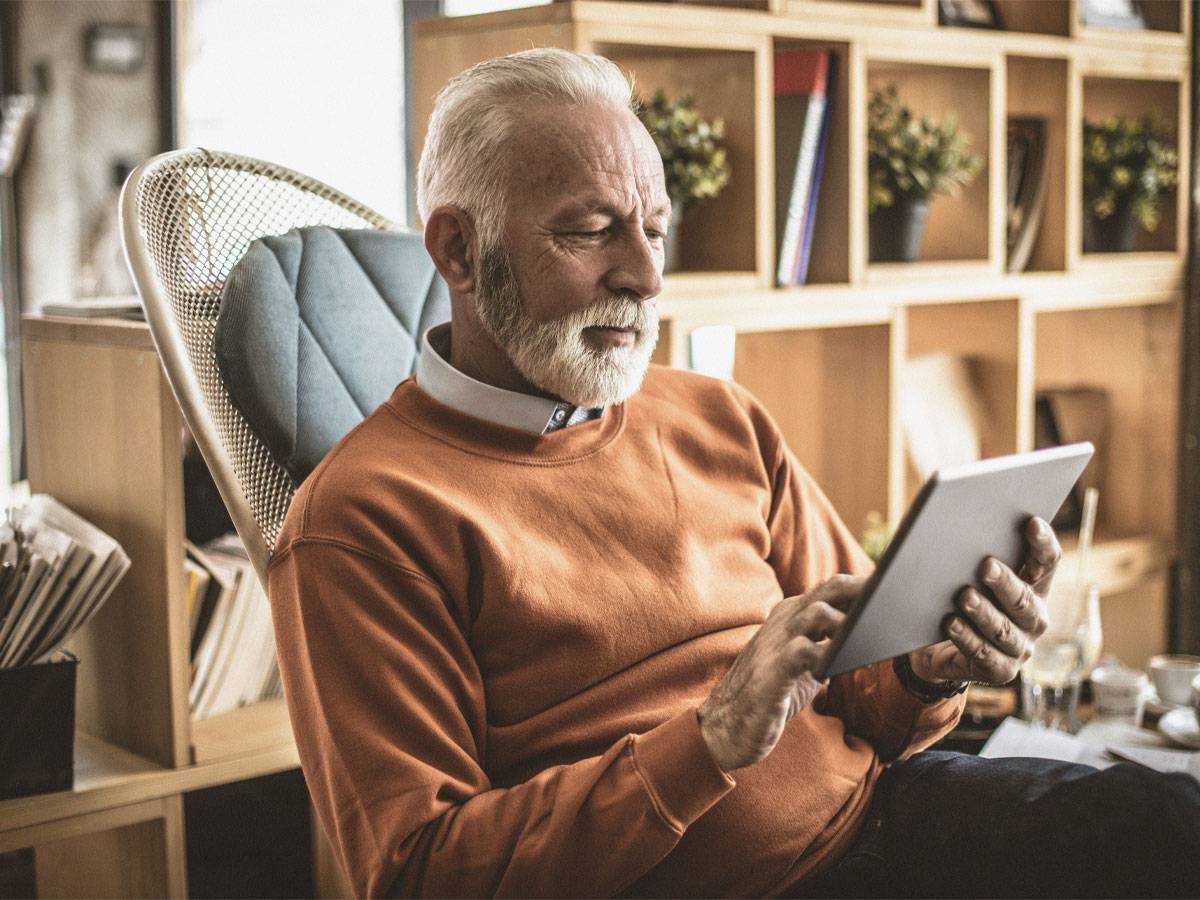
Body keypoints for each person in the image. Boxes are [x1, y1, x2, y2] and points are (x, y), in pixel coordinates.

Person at [266, 48, 1200, 898]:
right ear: (459, 252)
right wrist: (708, 741)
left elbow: (862, 696)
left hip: (893, 814)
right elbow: (420, 874)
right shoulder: (360, 521)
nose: (646, 276)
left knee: (1168, 824)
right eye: (591, 232)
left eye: (655, 231)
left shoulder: (717, 415)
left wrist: (926, 668)